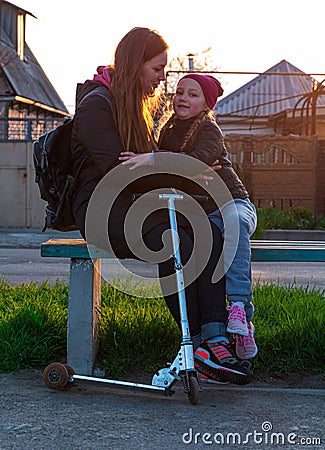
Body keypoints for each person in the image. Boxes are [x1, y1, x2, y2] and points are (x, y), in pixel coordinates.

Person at [71, 26, 253, 385]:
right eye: (157, 69)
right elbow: (119, 174)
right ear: (135, 63)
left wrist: (177, 170)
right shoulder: (96, 104)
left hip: (137, 201)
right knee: (179, 241)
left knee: (210, 233)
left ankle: (213, 341)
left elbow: (147, 168)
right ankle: (200, 343)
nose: (162, 79)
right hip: (102, 209)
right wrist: (188, 173)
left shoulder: (136, 107)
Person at [156, 73, 258, 360]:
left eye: (192, 94)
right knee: (206, 246)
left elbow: (194, 161)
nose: (183, 98)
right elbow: (172, 168)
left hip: (233, 203)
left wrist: (169, 163)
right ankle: (213, 336)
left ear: (206, 104)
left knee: (235, 226)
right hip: (205, 211)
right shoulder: (169, 130)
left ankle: (238, 306)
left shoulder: (210, 130)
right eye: (179, 92)